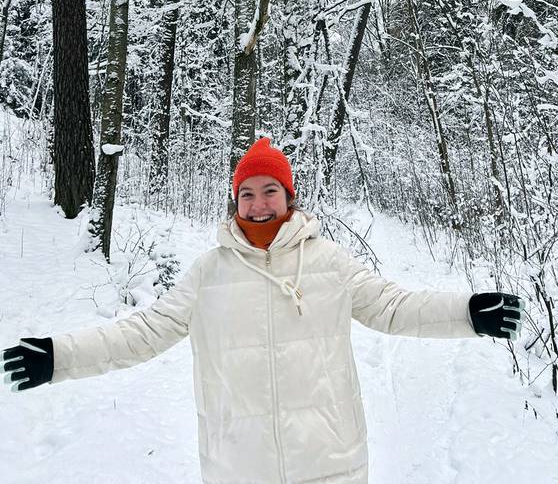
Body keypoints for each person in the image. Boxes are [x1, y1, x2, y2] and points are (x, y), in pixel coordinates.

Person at [1, 137, 525, 484]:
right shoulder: (209, 274)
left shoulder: (328, 262)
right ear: (235, 203)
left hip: (330, 461)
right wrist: (60, 357)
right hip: (240, 466)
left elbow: (392, 306)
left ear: (289, 197)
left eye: (269, 191)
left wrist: (466, 313)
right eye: (246, 194)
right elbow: (144, 331)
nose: (257, 204)